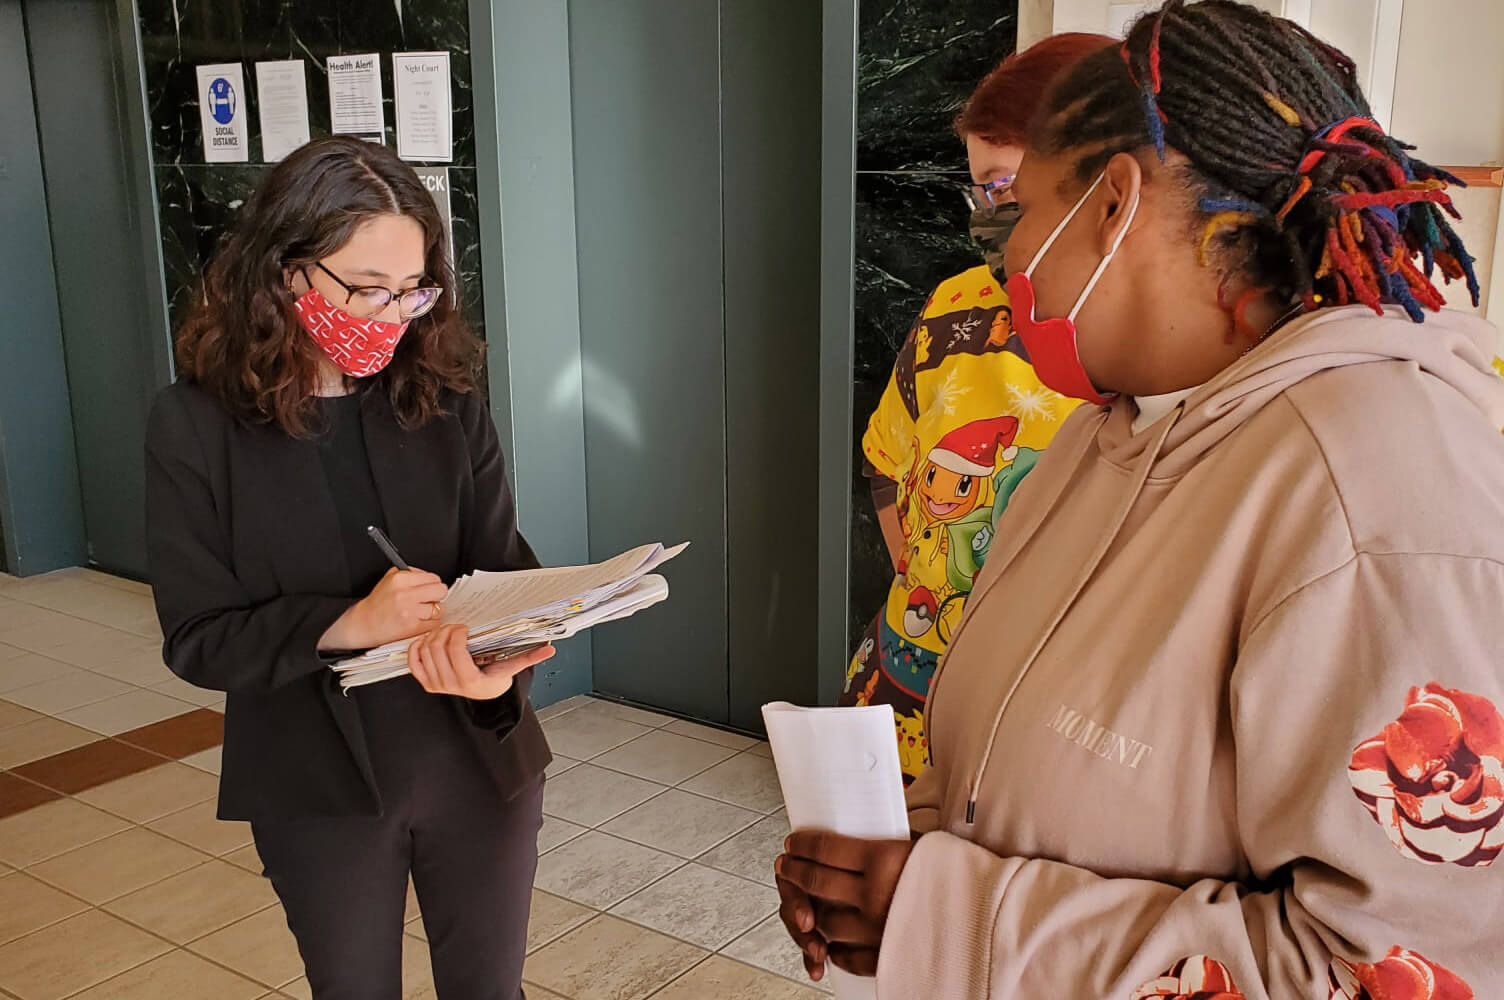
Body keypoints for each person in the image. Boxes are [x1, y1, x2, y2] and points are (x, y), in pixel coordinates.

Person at [780, 3, 1504, 996]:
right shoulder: (1102, 435)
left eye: (1018, 212)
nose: (1007, 261)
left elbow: (1391, 970)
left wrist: (953, 916)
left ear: (1111, 205)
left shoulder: (1374, 494)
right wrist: (893, 870)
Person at [145, 135, 554, 1000]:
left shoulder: (445, 404)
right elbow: (196, 639)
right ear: (286, 272)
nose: (392, 314)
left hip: (475, 757)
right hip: (313, 781)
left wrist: (499, 668)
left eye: (412, 290)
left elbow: (508, 573)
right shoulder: (195, 427)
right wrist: (349, 623)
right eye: (367, 289)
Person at [841, 32, 1114, 784]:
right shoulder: (957, 306)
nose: (991, 217)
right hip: (909, 690)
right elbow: (886, 465)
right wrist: (935, 592)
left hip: (1056, 733)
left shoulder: (1153, 354)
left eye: (1005, 187)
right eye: (981, 192)